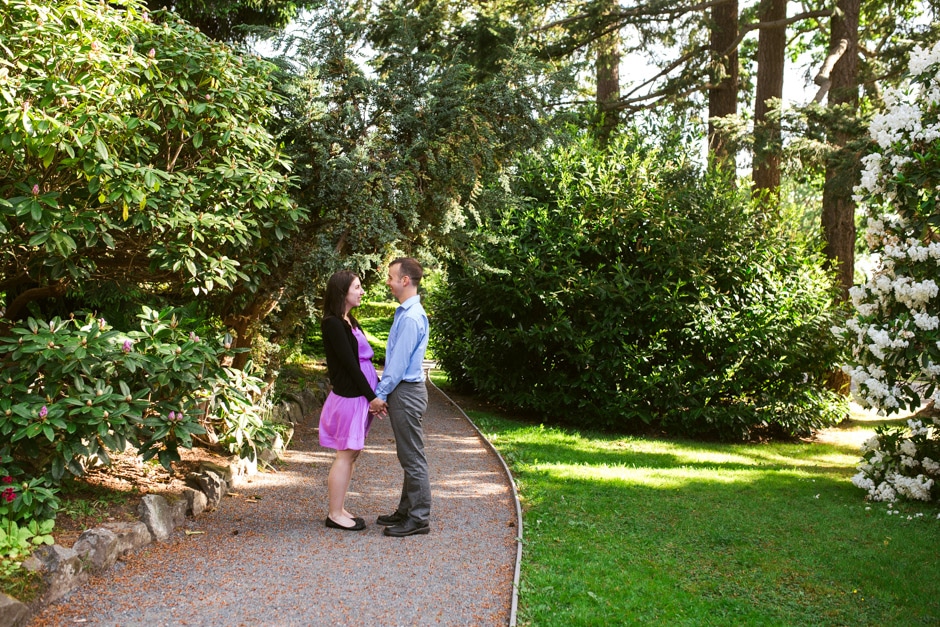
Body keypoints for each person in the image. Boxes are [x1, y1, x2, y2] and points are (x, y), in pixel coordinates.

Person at [369, 257, 431, 537]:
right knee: (408, 455)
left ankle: (418, 518)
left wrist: (380, 394)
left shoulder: (410, 317)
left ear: (405, 280)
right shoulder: (406, 313)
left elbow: (397, 365)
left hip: (406, 392)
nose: (388, 282)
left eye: (392, 277)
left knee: (412, 458)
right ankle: (406, 511)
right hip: (405, 392)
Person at [319, 270, 381, 532]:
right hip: (351, 397)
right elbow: (350, 365)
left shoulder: (350, 320)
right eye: (357, 287)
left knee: (352, 454)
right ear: (342, 291)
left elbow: (364, 361)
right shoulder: (333, 323)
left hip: (360, 398)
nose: (362, 291)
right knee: (344, 455)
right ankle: (334, 514)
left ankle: (340, 507)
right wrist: (372, 397)